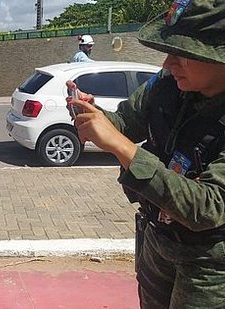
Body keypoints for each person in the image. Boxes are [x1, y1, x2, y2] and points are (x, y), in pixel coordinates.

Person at [67, 0, 225, 307]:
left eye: (184, 54)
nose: (168, 64)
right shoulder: (167, 84)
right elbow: (125, 122)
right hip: (157, 239)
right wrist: (92, 115)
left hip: (208, 264)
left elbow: (207, 207)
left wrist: (121, 147)